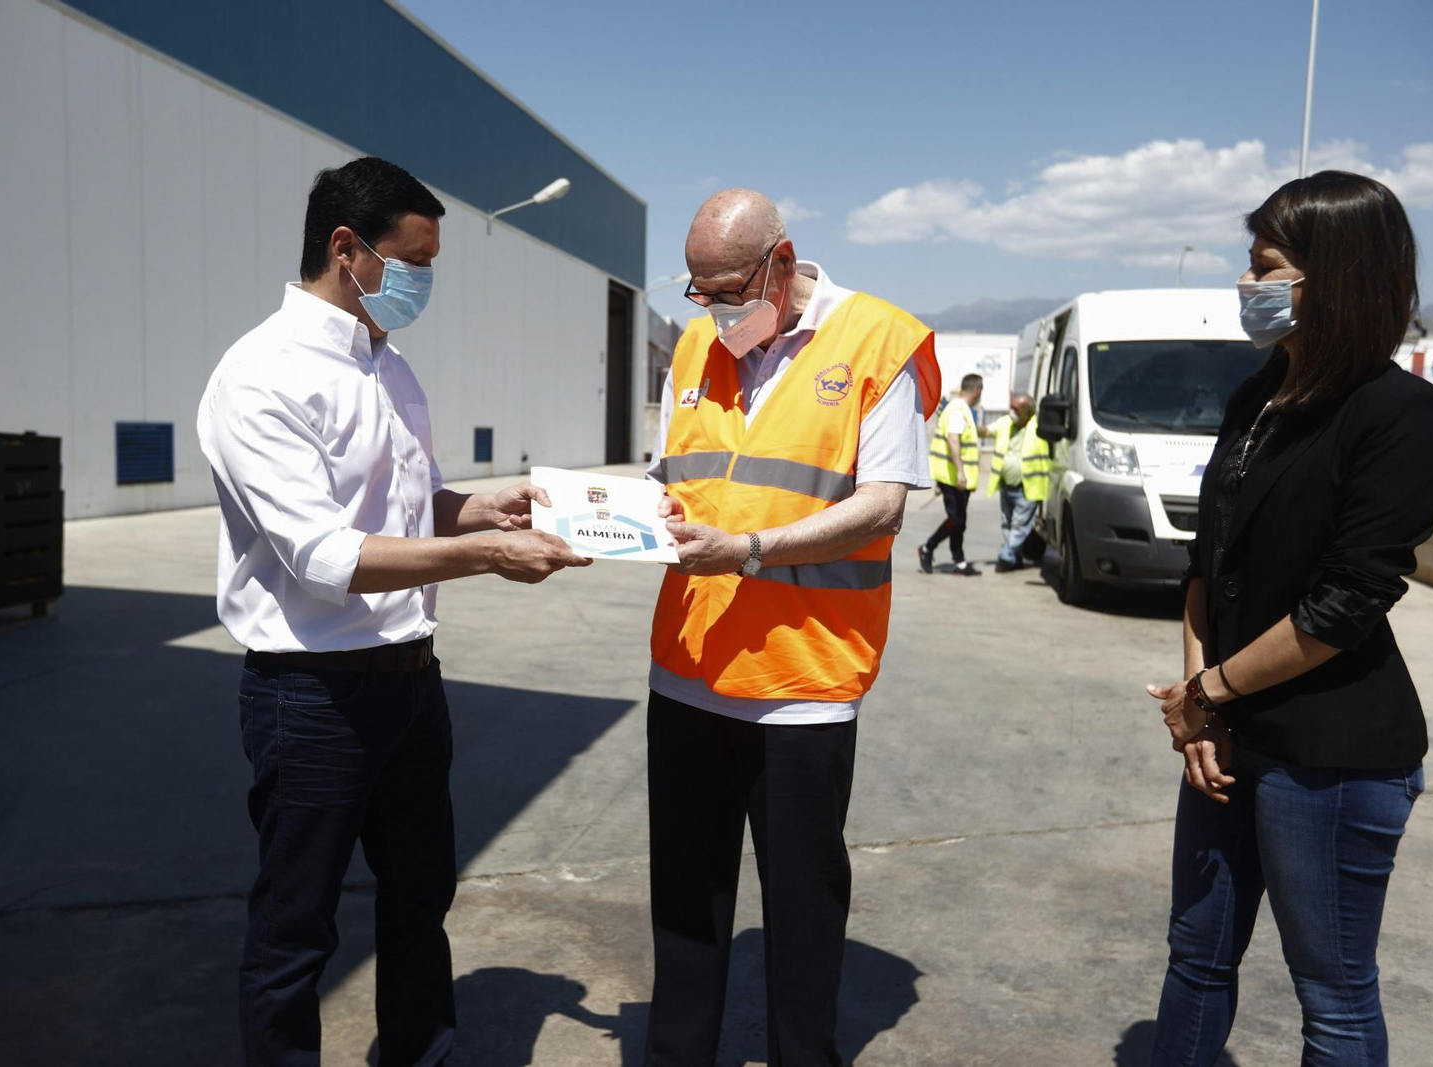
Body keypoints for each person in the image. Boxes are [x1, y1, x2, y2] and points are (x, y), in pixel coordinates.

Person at [197, 157, 590, 1067]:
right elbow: (328, 554)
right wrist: (487, 556)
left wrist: (482, 510)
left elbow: (404, 508)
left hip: (413, 686)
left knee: (420, 901)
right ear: (348, 248)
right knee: (298, 927)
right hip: (314, 698)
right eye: (414, 262)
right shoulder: (259, 376)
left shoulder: (388, 361)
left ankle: (420, 1050)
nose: (424, 283)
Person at [1144, 171, 1433, 1067]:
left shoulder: (1402, 413)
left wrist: (1208, 689)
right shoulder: (1255, 398)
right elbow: (1209, 563)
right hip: (1229, 731)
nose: (1248, 285)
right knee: (1195, 959)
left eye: (1264, 266)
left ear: (1338, 275)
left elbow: (1345, 602)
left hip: (1336, 757)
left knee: (1335, 996)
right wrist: (1204, 708)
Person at [644, 189, 941, 1066]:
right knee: (685, 909)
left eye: (727, 287)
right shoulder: (698, 341)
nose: (711, 308)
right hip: (686, 670)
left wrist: (747, 548)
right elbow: (673, 474)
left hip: (801, 688)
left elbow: (882, 506)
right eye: (697, 289)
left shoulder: (880, 342)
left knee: (804, 912)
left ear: (782, 262)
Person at [920, 373, 984, 575]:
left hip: (955, 475)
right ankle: (927, 547)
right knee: (956, 519)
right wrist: (960, 473)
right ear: (976, 390)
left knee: (960, 520)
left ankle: (959, 560)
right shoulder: (958, 410)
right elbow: (953, 440)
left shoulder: (960, 409)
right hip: (952, 475)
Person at [985, 392, 1050, 571]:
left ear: (1028, 412)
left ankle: (1006, 557)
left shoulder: (1039, 426)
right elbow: (987, 431)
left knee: (1019, 525)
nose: (1011, 412)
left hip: (1027, 488)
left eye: (1016, 409)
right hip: (1006, 486)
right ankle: (1015, 556)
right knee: (1007, 523)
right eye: (1011, 407)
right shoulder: (1006, 423)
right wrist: (969, 427)